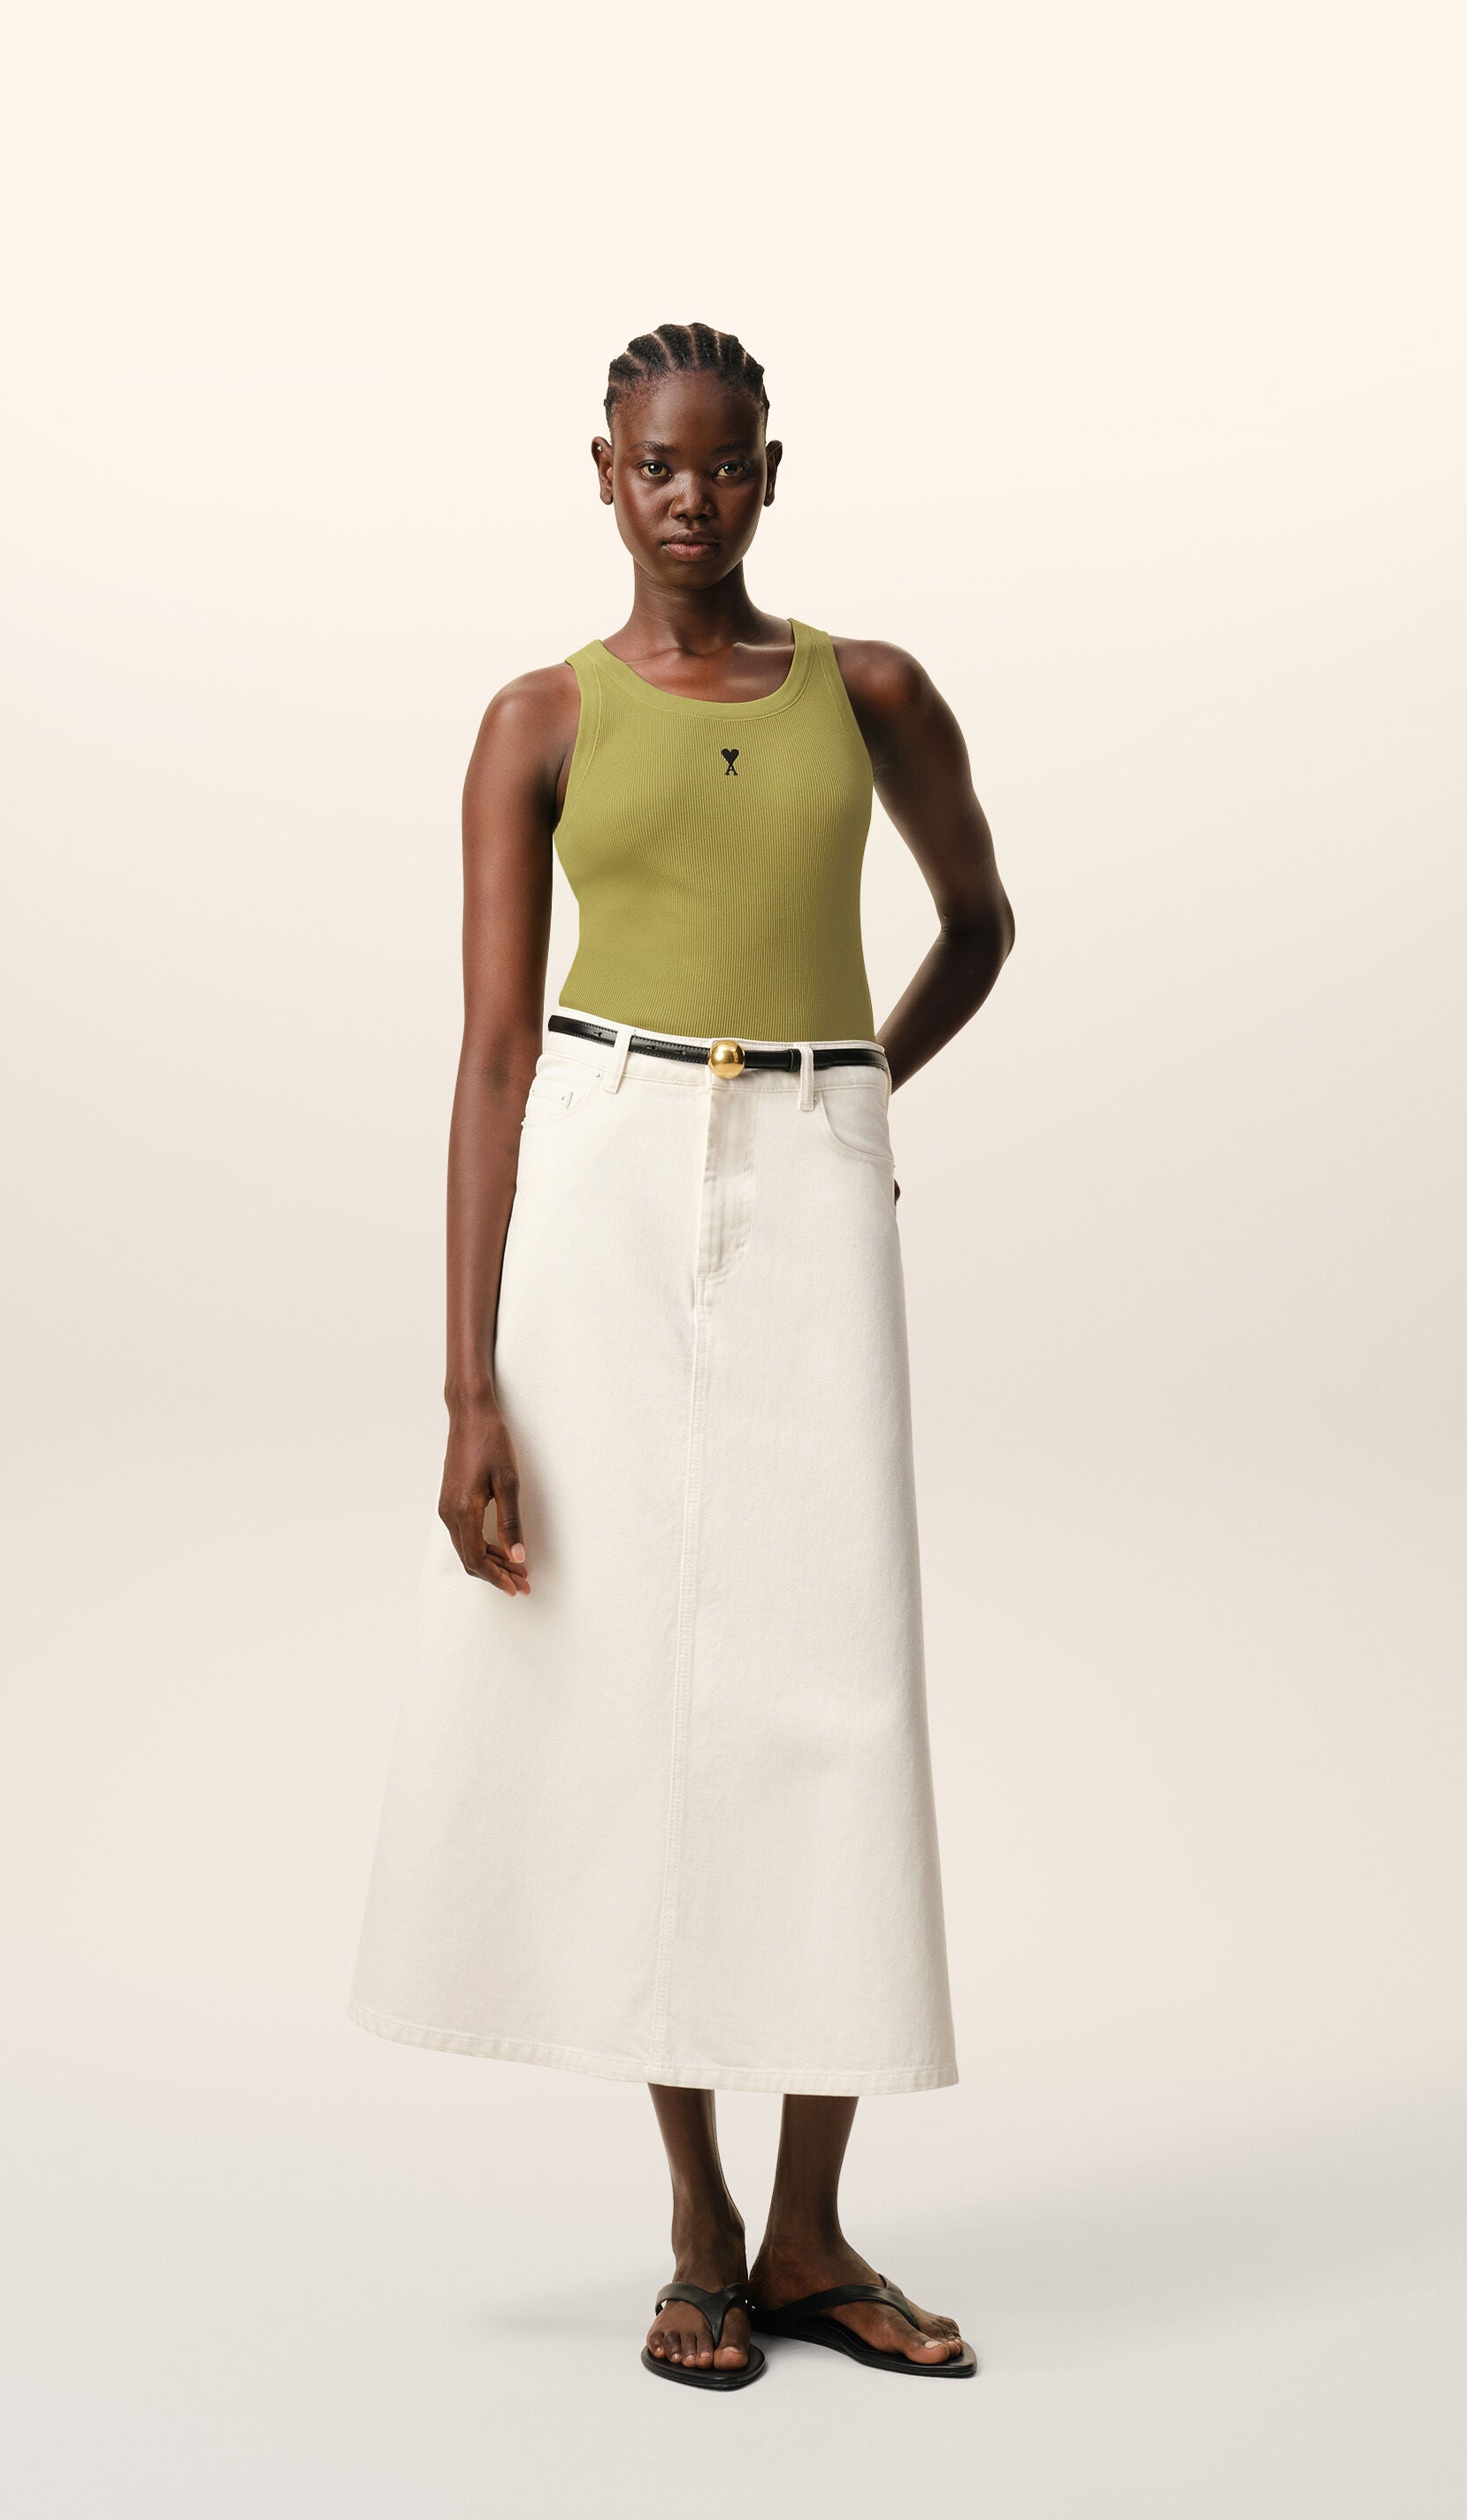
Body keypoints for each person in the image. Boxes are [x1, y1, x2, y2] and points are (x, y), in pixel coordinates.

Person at [350, 322, 1012, 2388]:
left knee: (834, 1683)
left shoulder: (870, 692)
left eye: (725, 466)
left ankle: (813, 2229)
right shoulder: (538, 719)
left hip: (807, 1170)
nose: (690, 500)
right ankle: (701, 2222)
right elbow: (489, 1056)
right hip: (606, 1170)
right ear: (604, 473)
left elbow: (982, 923)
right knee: (635, 1678)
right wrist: (468, 1387)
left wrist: (850, 1096)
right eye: (656, 464)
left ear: (772, 475)